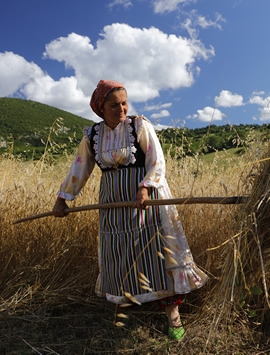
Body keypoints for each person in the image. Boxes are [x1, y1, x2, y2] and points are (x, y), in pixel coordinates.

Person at [53, 79, 208, 340]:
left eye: (124, 103)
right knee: (120, 254)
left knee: (158, 254)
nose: (121, 109)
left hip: (146, 200)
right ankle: (126, 310)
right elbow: (80, 167)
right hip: (113, 205)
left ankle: (174, 318)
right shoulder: (92, 136)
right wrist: (63, 198)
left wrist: (145, 187)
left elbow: (156, 160)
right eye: (114, 105)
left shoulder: (138, 126)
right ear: (100, 108)